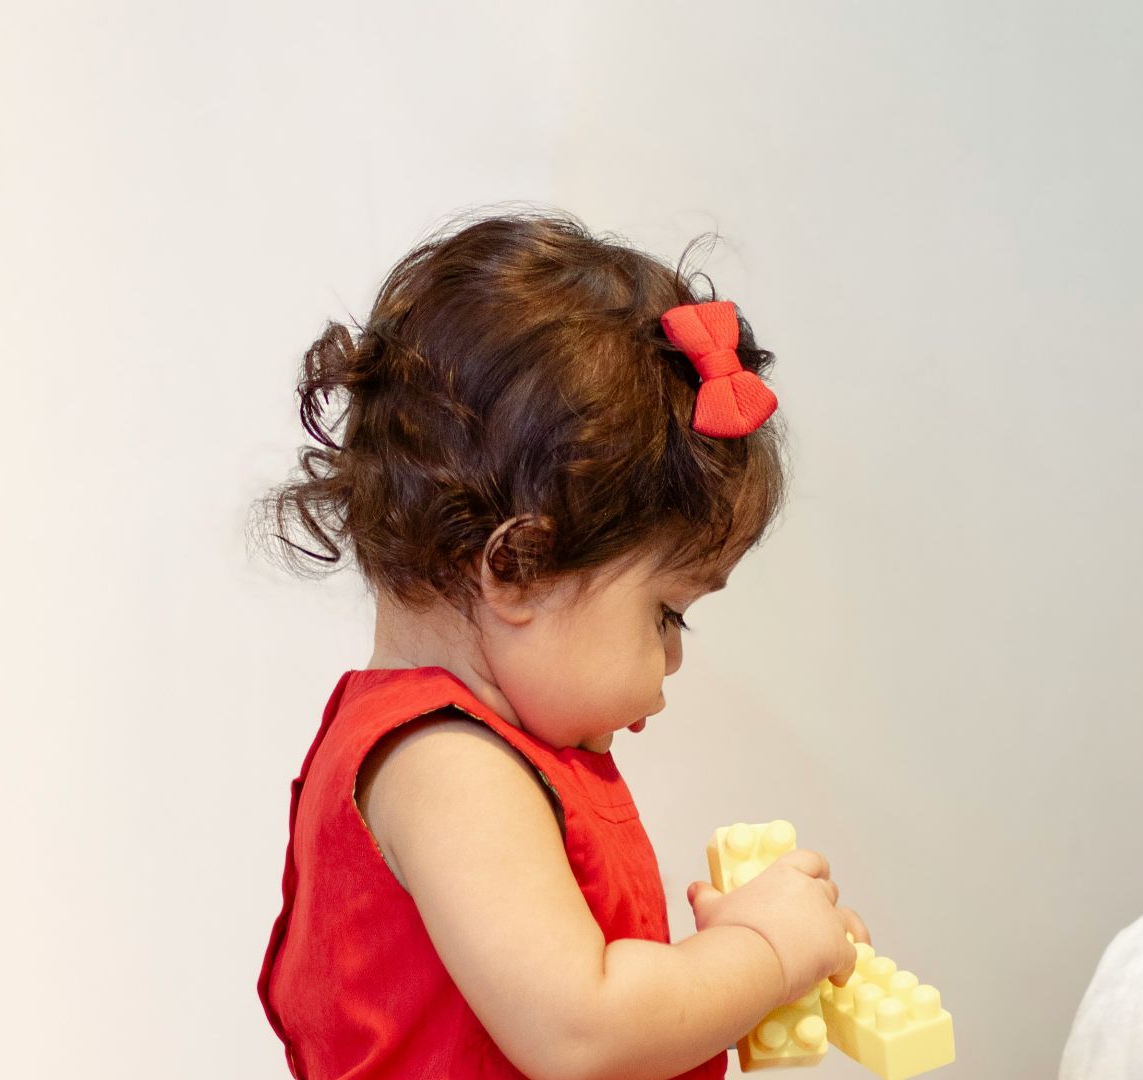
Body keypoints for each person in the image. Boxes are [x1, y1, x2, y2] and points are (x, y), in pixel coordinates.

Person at [255, 211, 867, 1080]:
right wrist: (764, 950)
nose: (674, 660)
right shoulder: (446, 765)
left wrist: (735, 980)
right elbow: (584, 1031)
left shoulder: (491, 753)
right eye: (667, 614)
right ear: (518, 567)